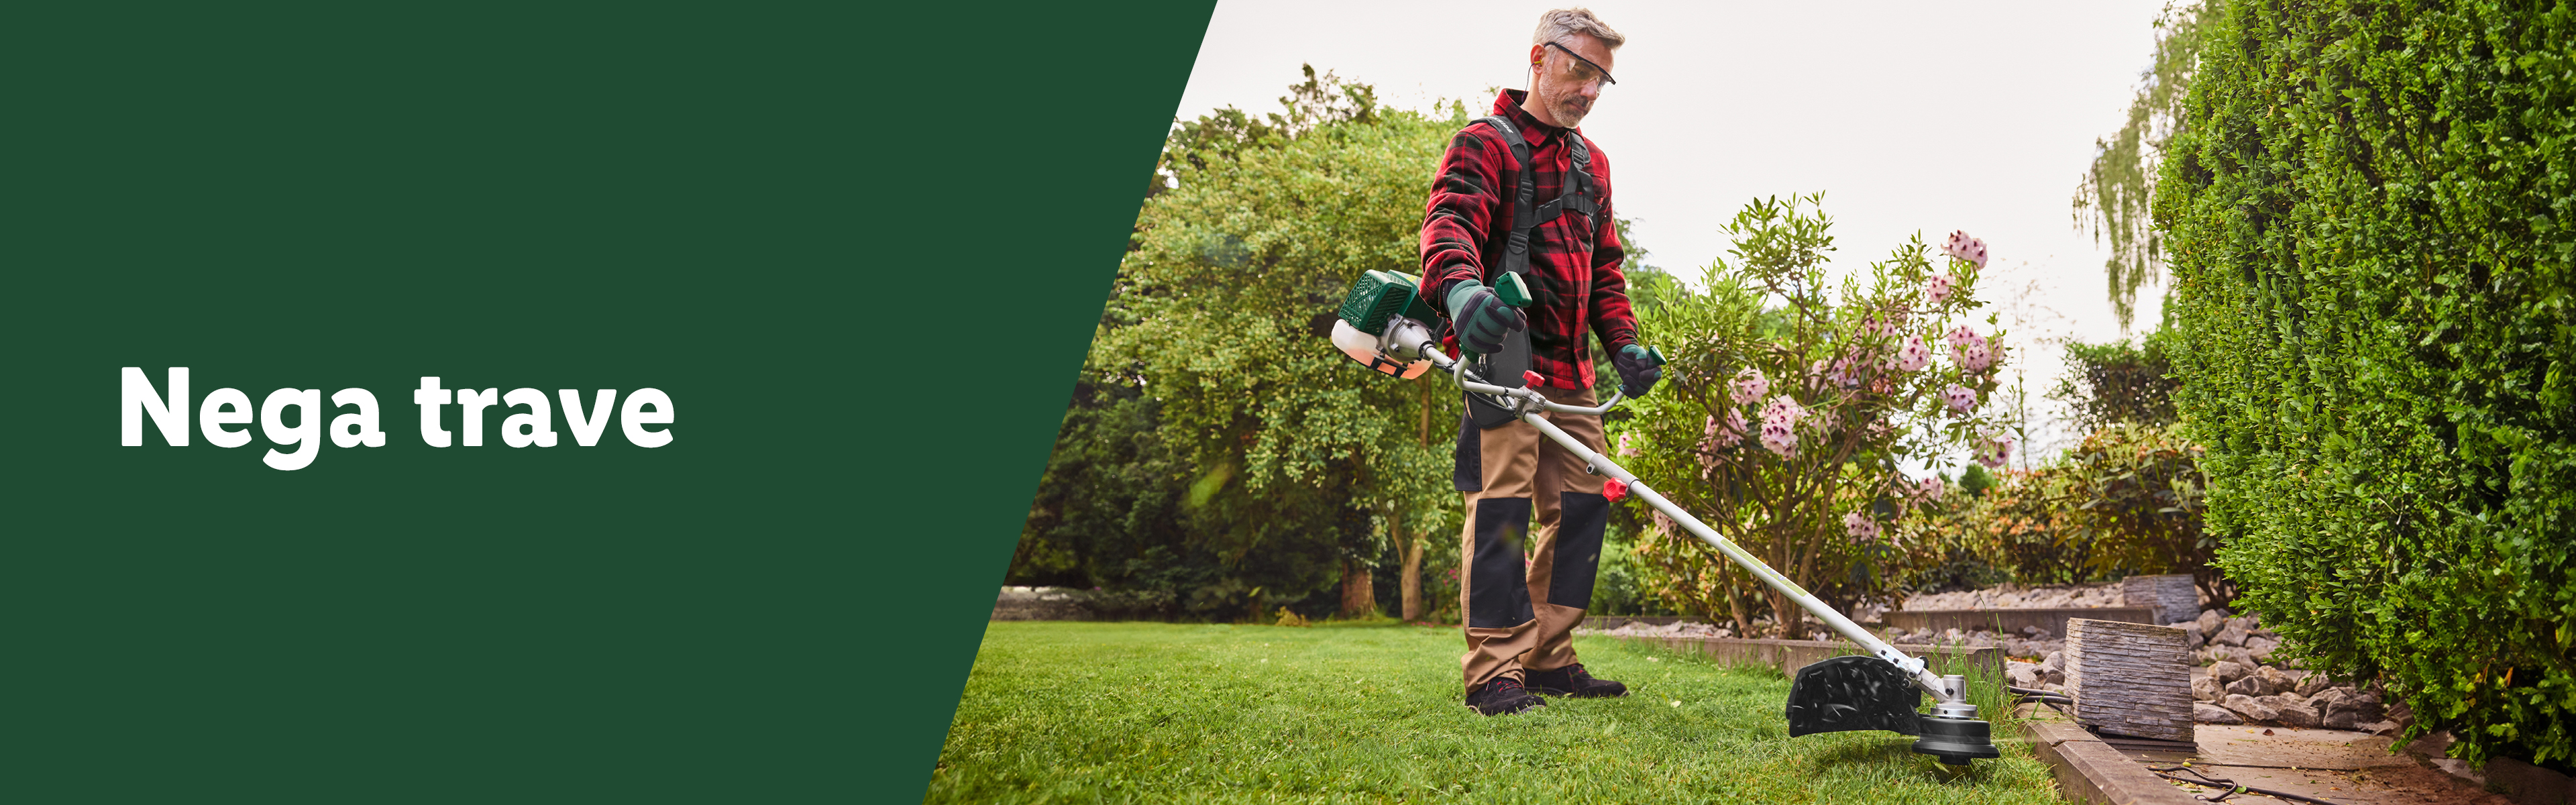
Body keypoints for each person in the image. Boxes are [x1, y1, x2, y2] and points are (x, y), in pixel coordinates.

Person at [1418, 7, 1661, 716]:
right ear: (1539, 58)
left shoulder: (1594, 163)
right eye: (1579, 69)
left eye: (1601, 78)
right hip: (1504, 363)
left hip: (1574, 378)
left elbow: (1606, 273)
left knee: (1585, 510)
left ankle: (1549, 655)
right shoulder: (1484, 143)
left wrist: (1625, 347)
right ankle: (1495, 668)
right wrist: (1464, 294)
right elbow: (1450, 226)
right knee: (1500, 513)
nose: (1589, 88)